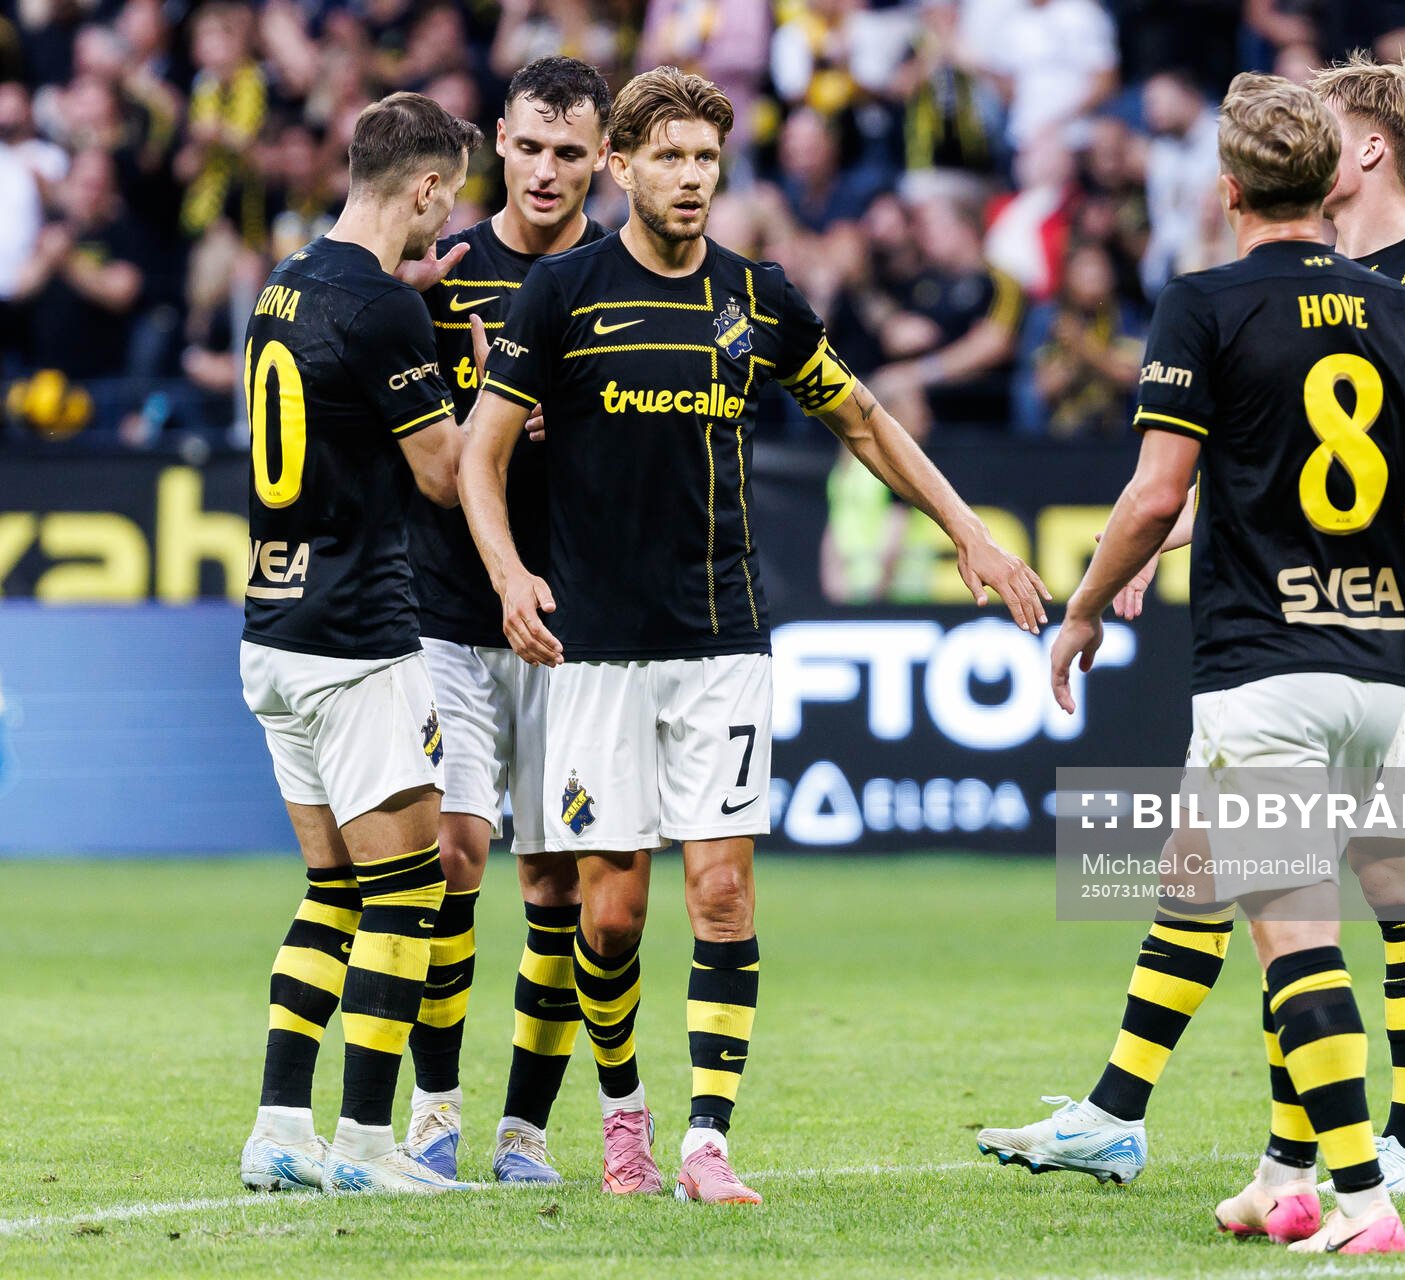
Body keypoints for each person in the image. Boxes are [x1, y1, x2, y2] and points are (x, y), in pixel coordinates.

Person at [460, 65, 1047, 1205]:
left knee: (722, 894)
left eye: (705, 159)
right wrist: (508, 574)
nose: (690, 178)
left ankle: (705, 1139)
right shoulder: (561, 294)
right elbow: (483, 454)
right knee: (613, 911)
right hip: (592, 649)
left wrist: (969, 531)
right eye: (667, 158)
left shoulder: (758, 299)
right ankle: (622, 1113)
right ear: (621, 167)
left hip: (725, 638)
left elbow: (865, 420)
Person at [976, 51, 1405, 1203]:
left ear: (1360, 148)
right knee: (1204, 869)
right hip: (1323, 639)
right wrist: (1171, 549)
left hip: (1350, 637)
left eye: (1331, 108)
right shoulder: (1363, 296)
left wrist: (1351, 555)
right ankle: (1136, 1116)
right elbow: (1266, 462)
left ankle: (1385, 1149)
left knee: (1369, 885)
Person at [236, 91, 480, 1196]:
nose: (447, 219)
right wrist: (486, 387)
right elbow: (440, 475)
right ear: (426, 187)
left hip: (272, 629)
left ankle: (281, 1128)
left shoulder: (283, 285)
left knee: (330, 890)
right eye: (448, 197)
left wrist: (403, 306)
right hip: (356, 635)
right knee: (408, 893)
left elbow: (340, 365)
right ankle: (370, 1146)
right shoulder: (387, 313)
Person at [392, 55, 614, 1189]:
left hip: (574, 618)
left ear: (601, 160)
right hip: (447, 600)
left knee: (558, 883)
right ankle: (434, 1105)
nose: (544, 170)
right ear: (501, 144)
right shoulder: (442, 272)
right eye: (528, 146)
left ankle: (525, 1127)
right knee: (453, 853)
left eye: (569, 152)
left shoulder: (624, 279)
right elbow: (392, 417)